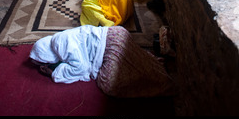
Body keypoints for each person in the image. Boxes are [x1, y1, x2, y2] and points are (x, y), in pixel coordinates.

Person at [29, 25, 174, 98]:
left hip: (111, 44)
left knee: (109, 84)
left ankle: (163, 83)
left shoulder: (60, 44)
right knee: (135, 61)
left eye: (43, 62)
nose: (44, 64)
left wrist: (53, 73)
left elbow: (80, 67)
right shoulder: (60, 39)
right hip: (116, 32)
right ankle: (155, 67)